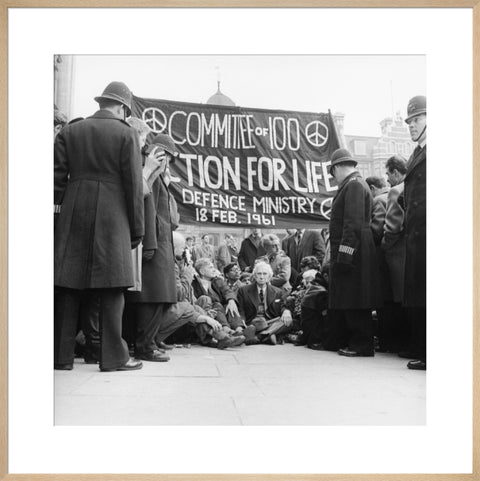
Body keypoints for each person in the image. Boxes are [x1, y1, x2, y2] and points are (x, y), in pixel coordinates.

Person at [54, 81, 144, 372]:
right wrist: (136, 228)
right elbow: (133, 185)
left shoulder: (70, 131)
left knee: (68, 286)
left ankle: (61, 356)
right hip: (112, 215)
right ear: (122, 108)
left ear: (102, 102)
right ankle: (114, 358)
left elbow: (55, 181)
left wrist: (60, 215)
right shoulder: (127, 134)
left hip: (73, 212)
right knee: (112, 288)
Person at [125, 133, 179, 363]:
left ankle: (149, 342)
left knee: (159, 297)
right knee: (152, 297)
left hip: (160, 243)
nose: (168, 162)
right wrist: (150, 244)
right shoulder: (153, 177)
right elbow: (148, 212)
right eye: (167, 156)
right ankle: (145, 347)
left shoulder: (158, 178)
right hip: (155, 244)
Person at [327, 148, 381, 357]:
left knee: (356, 299)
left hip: (354, 253)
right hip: (356, 251)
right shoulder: (354, 185)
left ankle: (361, 345)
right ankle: (357, 343)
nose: (334, 177)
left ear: (338, 167)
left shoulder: (354, 186)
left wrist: (345, 255)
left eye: (333, 172)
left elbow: (353, 225)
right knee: (353, 297)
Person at [155, 232, 245, 349]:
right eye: (183, 248)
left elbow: (225, 291)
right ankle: (219, 336)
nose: (185, 251)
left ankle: (221, 336)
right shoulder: (175, 267)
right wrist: (206, 317)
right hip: (172, 315)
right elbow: (181, 295)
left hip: (200, 311)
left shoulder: (216, 280)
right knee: (191, 306)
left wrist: (229, 301)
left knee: (203, 305)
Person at [402, 95, 427, 370]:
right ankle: (424, 350)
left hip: (428, 234)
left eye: (418, 118)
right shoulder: (419, 151)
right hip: (417, 233)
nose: (412, 125)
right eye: (410, 121)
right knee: (420, 294)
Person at [382, 154, 410, 354]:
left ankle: (404, 345)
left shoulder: (395, 191)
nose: (387, 179)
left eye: (388, 174)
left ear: (396, 172)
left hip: (398, 254)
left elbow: (392, 226)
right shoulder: (417, 186)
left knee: (399, 300)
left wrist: (384, 245)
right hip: (414, 252)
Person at [236, 261, 293, 345]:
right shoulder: (243, 290)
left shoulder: (278, 292)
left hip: (271, 322)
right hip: (253, 321)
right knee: (259, 322)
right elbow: (240, 309)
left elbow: (282, 306)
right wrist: (241, 325)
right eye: (259, 274)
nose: (262, 277)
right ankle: (269, 335)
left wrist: (286, 311)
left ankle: (260, 336)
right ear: (254, 276)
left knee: (288, 321)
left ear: (269, 276)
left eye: (264, 274)